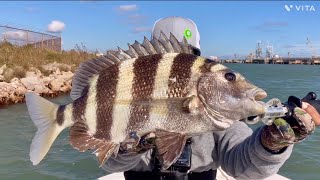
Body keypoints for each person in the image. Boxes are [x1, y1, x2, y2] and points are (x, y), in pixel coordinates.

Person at [102, 16, 320, 180]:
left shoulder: (220, 117)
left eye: (188, 59)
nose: (177, 74)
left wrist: (270, 143)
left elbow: (244, 166)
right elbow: (109, 163)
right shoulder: (128, 97)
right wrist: (129, 147)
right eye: (168, 61)